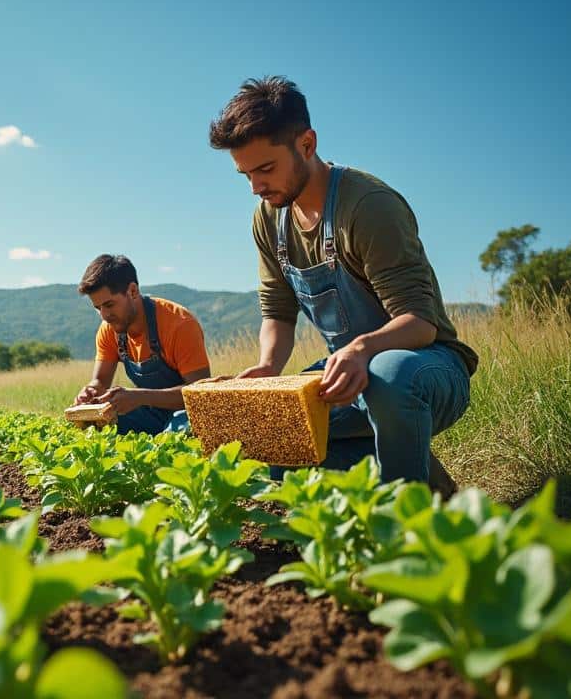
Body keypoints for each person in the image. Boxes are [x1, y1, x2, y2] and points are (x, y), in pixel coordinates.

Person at [208, 76, 476, 496]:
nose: (256, 187)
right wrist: (267, 369)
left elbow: (420, 323)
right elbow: (277, 311)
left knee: (386, 375)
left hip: (424, 369)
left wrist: (361, 349)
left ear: (307, 144)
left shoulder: (368, 206)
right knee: (272, 441)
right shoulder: (269, 217)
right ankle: (432, 487)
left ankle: (407, 523)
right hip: (349, 372)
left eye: (265, 169)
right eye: (245, 174)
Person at [73, 254, 211, 434]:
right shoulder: (109, 328)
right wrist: (90, 392)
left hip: (185, 412)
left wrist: (139, 397)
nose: (104, 315)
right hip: (148, 411)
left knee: (181, 432)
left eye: (109, 305)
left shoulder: (180, 324)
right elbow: (100, 381)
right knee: (94, 426)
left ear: (132, 291)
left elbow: (200, 394)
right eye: (98, 308)